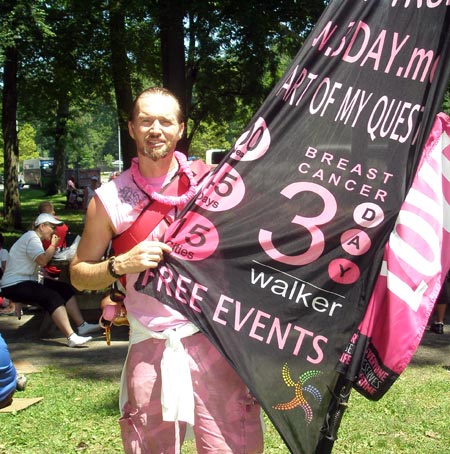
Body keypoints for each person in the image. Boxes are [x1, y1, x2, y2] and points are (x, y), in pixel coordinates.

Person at [70, 87, 263, 453]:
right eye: (145, 120)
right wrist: (121, 264)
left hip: (215, 339)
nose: (155, 129)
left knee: (231, 447)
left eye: (165, 121)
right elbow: (78, 273)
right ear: (131, 128)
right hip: (150, 343)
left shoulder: (215, 184)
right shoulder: (108, 199)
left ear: (180, 129)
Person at [0, 213, 101, 347]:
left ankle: (82, 326)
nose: (55, 231)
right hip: (15, 284)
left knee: (64, 289)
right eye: (52, 227)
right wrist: (53, 245)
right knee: (52, 296)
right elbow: (43, 261)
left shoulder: (32, 238)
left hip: (24, 281)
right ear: (42, 226)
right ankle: (71, 337)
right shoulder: (31, 238)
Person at [38, 200, 69, 279]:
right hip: (60, 267)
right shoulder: (63, 227)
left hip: (45, 269)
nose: (54, 231)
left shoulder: (38, 231)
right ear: (53, 211)